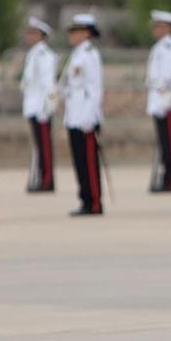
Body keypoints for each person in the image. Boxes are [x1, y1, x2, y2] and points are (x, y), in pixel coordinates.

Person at [63, 14, 106, 216]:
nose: (71, 35)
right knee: (79, 161)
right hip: (74, 114)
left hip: (86, 116)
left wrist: (89, 116)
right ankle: (85, 199)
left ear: (86, 33)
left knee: (89, 162)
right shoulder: (77, 53)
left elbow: (95, 89)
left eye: (75, 31)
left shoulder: (90, 54)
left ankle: (95, 201)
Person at [19, 18, 59, 193]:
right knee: (39, 144)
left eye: (32, 32)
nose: (29, 36)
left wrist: (48, 105)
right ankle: (41, 177)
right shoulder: (34, 53)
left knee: (44, 145)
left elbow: (48, 83)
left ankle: (47, 180)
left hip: (41, 107)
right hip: (33, 105)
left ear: (41, 36)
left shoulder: (45, 55)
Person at [145, 8, 171, 195]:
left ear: (167, 28)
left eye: (158, 26)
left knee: (170, 144)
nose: (155, 30)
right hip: (157, 101)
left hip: (167, 100)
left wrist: (162, 94)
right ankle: (166, 176)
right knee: (163, 142)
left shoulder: (170, 48)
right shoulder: (159, 47)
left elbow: (168, 78)